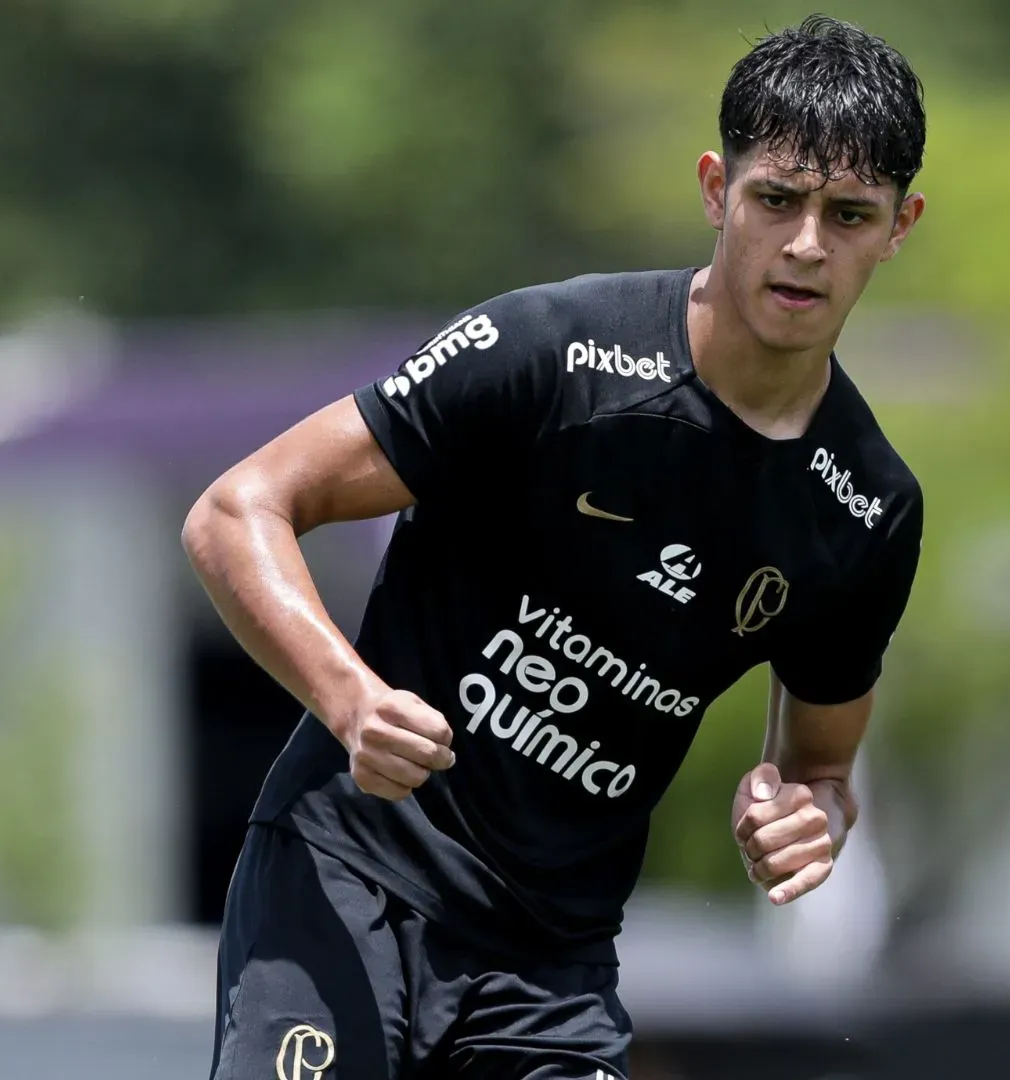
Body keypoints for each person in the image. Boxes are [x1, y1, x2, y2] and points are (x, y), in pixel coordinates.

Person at [183, 14, 927, 1079]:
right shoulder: (553, 352)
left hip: (549, 969)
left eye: (850, 214)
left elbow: (819, 763)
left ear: (899, 227)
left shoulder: (867, 508)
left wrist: (807, 813)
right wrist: (349, 700)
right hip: (349, 873)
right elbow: (234, 511)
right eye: (778, 200)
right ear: (718, 189)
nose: (807, 245)